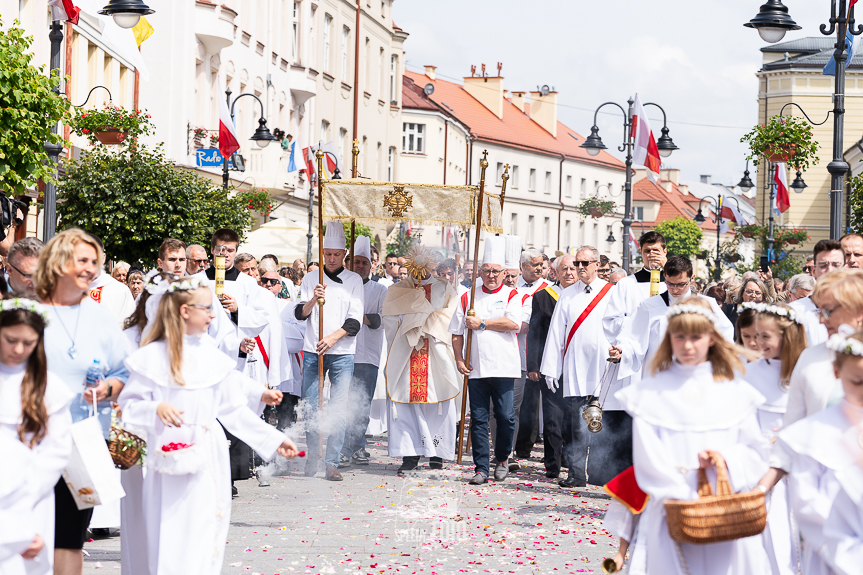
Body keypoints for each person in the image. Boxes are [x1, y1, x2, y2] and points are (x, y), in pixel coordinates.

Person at [117, 276, 299, 575]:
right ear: (185, 311)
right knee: (170, 530)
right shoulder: (151, 356)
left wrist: (273, 438)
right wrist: (156, 407)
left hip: (207, 457)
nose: (213, 315)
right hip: (166, 459)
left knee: (205, 529)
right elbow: (129, 406)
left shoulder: (210, 356)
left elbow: (232, 410)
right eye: (207, 308)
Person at [614, 298, 771, 574]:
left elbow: (755, 451)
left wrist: (724, 460)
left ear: (711, 338)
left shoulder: (734, 390)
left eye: (696, 337)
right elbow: (648, 456)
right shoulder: (651, 393)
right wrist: (681, 494)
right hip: (672, 510)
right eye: (680, 337)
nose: (687, 346)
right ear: (669, 338)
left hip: (724, 509)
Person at [32, 228, 131, 575]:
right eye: (83, 260)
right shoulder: (27, 312)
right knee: (27, 531)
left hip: (86, 439)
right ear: (59, 262)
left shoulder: (101, 317)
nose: (91, 268)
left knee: (70, 536)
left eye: (95, 262)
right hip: (33, 439)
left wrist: (109, 387)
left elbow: (125, 370)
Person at [768, 328, 863, 575]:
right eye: (857, 382)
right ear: (837, 373)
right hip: (834, 554)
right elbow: (807, 502)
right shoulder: (813, 434)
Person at [0, 298, 74, 575]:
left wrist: (24, 490)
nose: (18, 349)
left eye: (28, 343)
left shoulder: (48, 387)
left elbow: (56, 450)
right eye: (10, 339)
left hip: (30, 496)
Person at [193, 230, 271, 492]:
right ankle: (206, 473)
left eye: (229, 250)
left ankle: (228, 477)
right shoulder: (195, 281)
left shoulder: (248, 285)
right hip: (202, 358)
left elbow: (262, 317)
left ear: (235, 251)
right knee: (206, 417)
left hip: (234, 360)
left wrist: (239, 311)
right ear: (212, 250)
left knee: (231, 414)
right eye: (219, 250)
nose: (224, 255)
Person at [542, 245, 620, 488]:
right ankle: (576, 474)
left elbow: (621, 325)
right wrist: (551, 368)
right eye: (577, 263)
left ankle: (600, 473)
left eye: (586, 263)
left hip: (604, 367)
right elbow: (556, 332)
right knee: (575, 423)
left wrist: (620, 349)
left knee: (600, 422)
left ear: (597, 264)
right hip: (575, 365)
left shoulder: (611, 292)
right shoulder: (567, 294)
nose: (580, 268)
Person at [294, 222, 363, 481]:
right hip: (312, 351)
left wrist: (333, 338)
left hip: (342, 352)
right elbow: (299, 314)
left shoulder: (354, 280)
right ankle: (313, 455)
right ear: (322, 254)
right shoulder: (312, 278)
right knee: (311, 405)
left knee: (338, 407)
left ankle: (332, 461)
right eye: (328, 254)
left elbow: (355, 322)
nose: (332, 259)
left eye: (337, 254)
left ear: (344, 255)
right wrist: (313, 298)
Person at [450, 236, 521, 485]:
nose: (491, 275)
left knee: (504, 416)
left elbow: (513, 324)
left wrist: (482, 323)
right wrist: (459, 359)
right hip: (476, 366)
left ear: (504, 273)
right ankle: (480, 467)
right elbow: (457, 332)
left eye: (496, 271)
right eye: (487, 271)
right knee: (478, 418)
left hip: (503, 366)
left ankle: (501, 459)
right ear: (480, 272)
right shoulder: (468, 296)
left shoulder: (512, 295)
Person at [383, 247, 461, 474]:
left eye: (425, 267)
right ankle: (410, 455)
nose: (419, 271)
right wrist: (410, 322)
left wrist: (424, 322)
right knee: (407, 405)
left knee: (438, 403)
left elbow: (450, 317)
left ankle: (437, 454)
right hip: (407, 351)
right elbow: (390, 319)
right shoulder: (397, 290)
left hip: (435, 352)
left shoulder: (445, 288)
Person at [742, 302, 806, 575]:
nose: (757, 342)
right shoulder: (751, 371)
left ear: (786, 337)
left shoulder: (802, 373)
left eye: (765, 336)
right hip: (758, 464)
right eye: (756, 335)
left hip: (795, 467)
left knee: (788, 536)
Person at [612, 256, 734, 384]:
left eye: (681, 284)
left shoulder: (707, 305)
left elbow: (725, 337)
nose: (675, 290)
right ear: (664, 276)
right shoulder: (649, 306)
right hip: (659, 376)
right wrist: (623, 349)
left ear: (692, 278)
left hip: (696, 376)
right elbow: (633, 339)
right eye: (670, 284)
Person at [519, 255, 578, 479]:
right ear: (554, 272)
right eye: (564, 269)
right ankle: (552, 464)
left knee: (573, 418)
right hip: (550, 363)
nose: (569, 273)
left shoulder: (584, 297)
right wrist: (533, 365)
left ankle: (571, 461)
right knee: (552, 418)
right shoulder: (543, 296)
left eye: (573, 268)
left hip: (575, 366)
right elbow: (534, 331)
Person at [784, 269, 863, 426]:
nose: (821, 320)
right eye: (819, 311)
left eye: (828, 311)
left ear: (858, 310)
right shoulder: (810, 357)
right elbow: (793, 425)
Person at [340, 236, 387, 467]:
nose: (359, 266)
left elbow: (382, 319)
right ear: (349, 263)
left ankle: (355, 447)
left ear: (371, 265)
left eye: (364, 263)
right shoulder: (342, 285)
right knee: (344, 402)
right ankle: (350, 447)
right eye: (355, 262)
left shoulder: (380, 290)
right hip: (342, 352)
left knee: (361, 403)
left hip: (367, 354)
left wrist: (358, 319)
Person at [508, 246, 548, 465]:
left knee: (531, 403)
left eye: (541, 264)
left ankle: (525, 446)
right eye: (535, 264)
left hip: (534, 352)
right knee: (514, 404)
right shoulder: (513, 286)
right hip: (511, 349)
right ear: (523, 266)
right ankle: (511, 446)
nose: (539, 268)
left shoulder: (548, 288)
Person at [789, 239, 843, 346]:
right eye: (823, 265)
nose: (830, 270)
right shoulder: (794, 312)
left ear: (845, 269)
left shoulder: (856, 310)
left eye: (836, 265)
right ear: (814, 271)